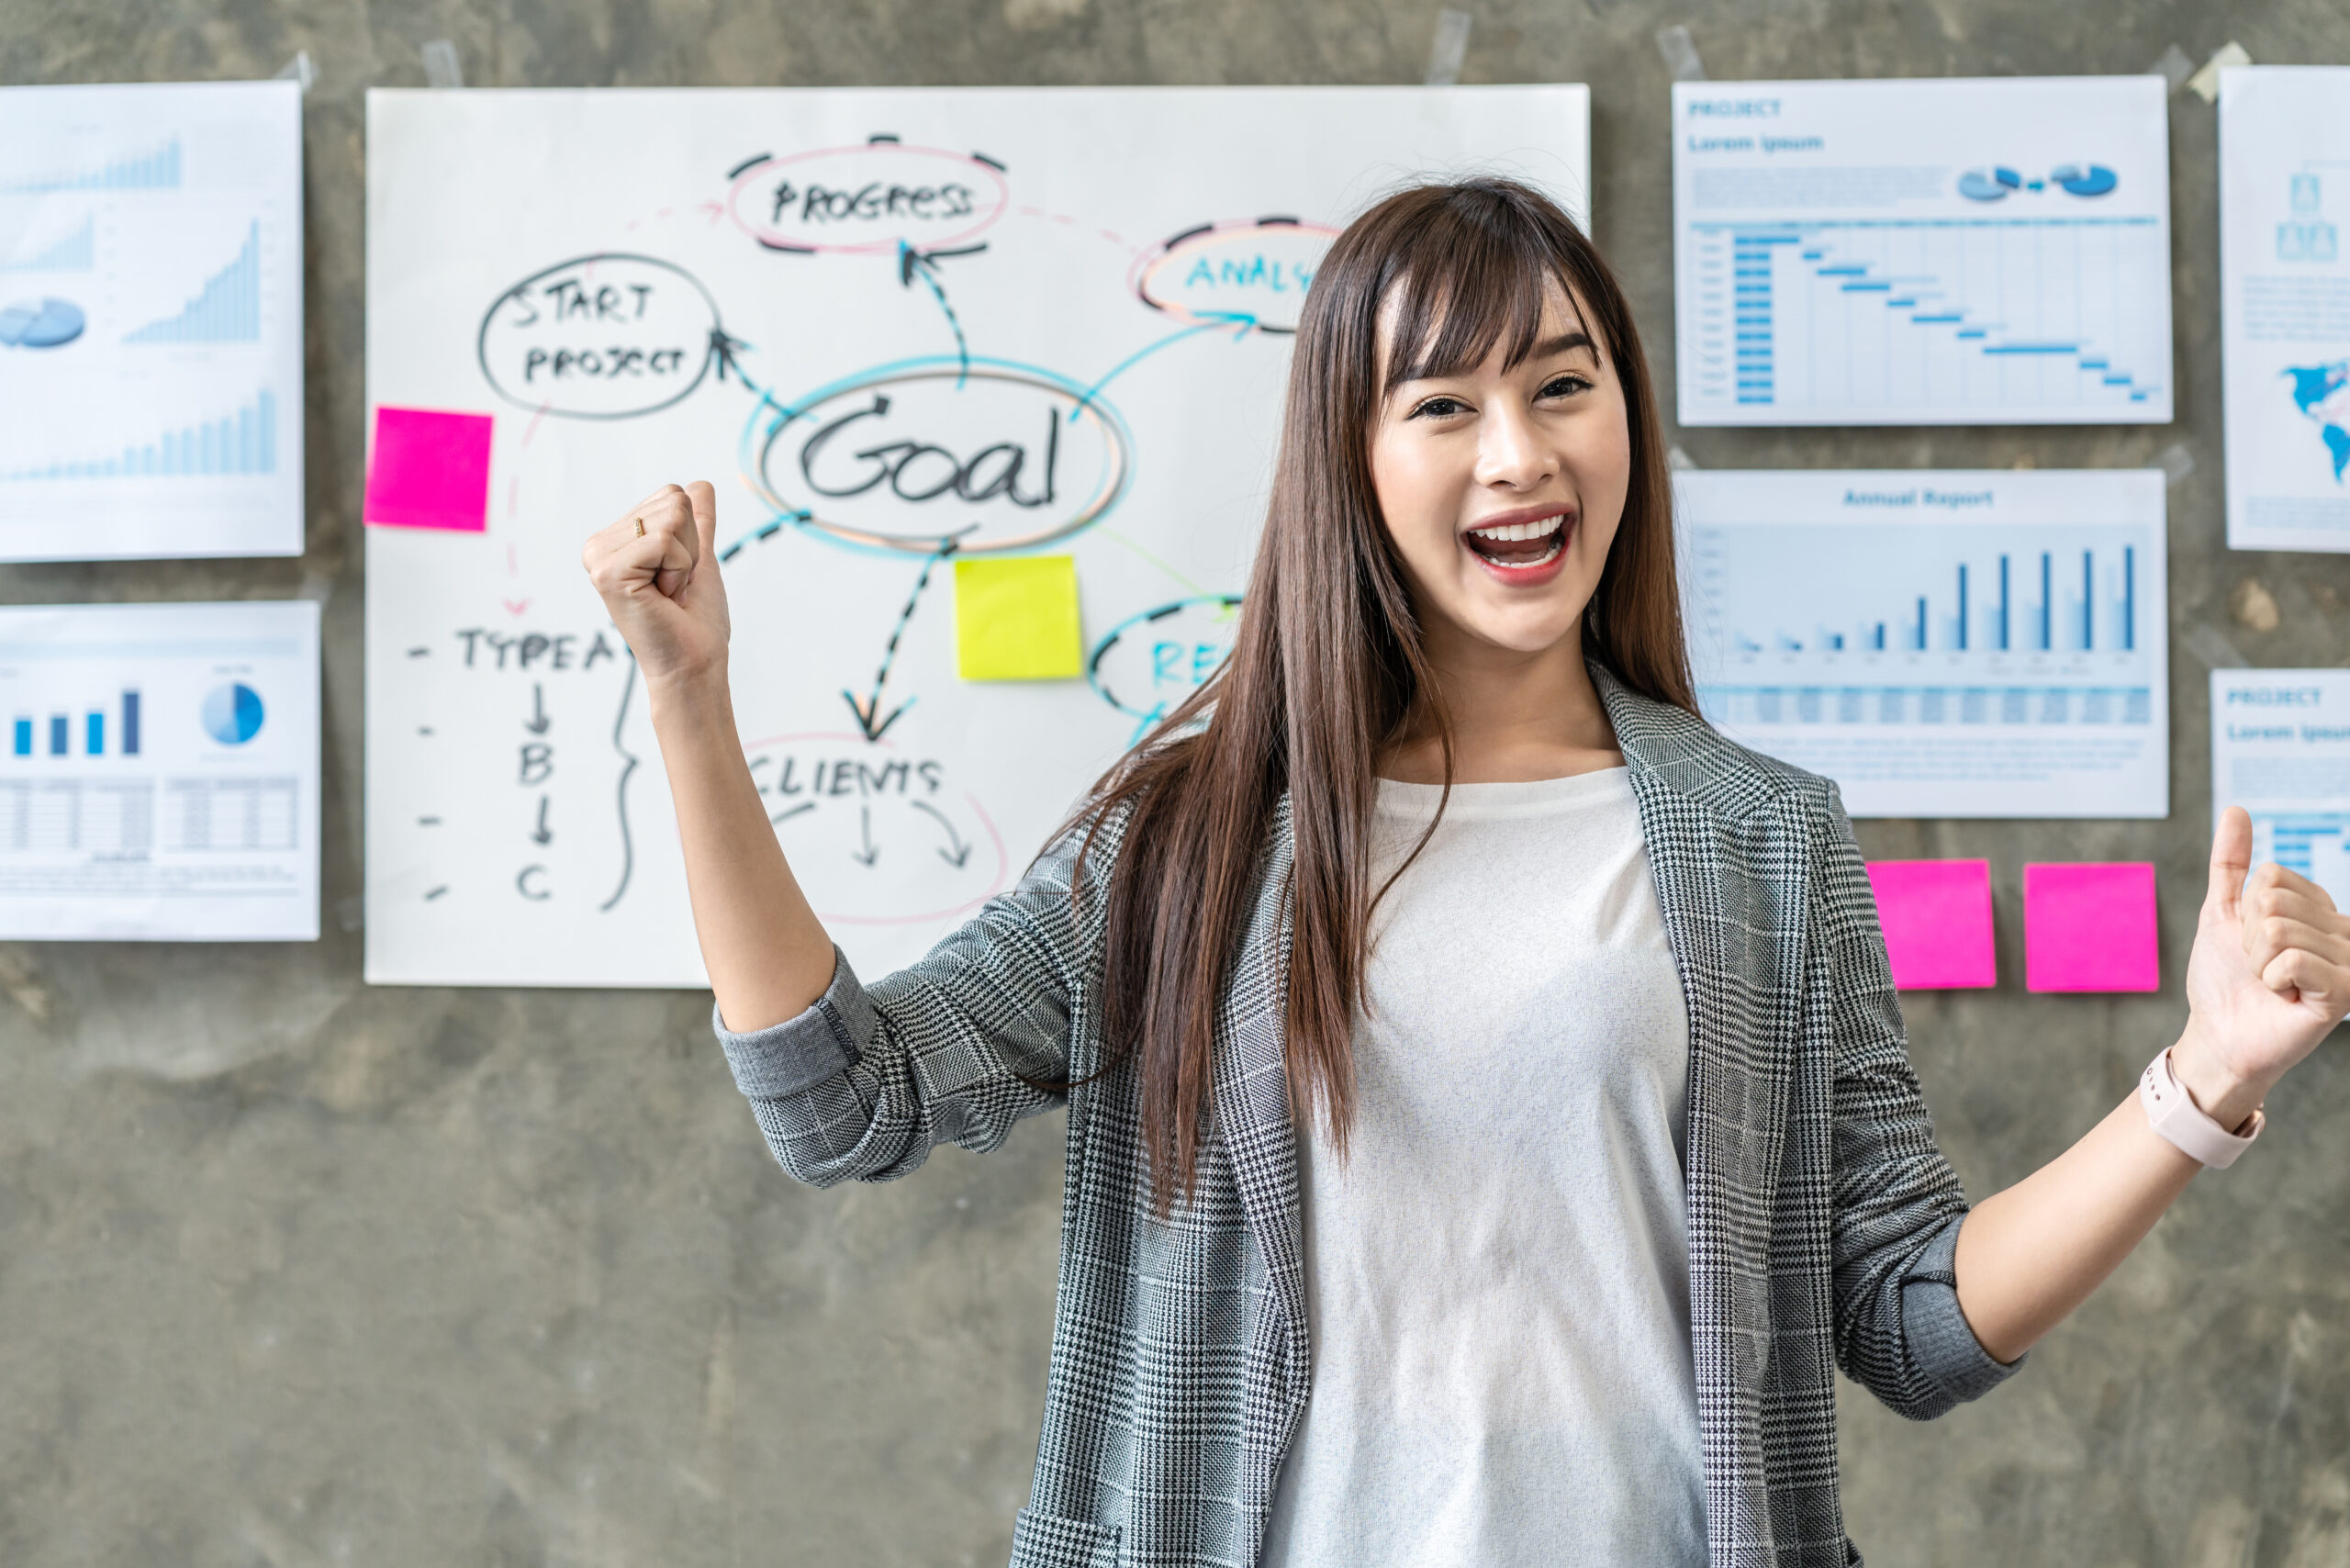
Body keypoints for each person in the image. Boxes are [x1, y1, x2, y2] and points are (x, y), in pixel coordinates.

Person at [582, 178, 2350, 1568]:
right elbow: (846, 1104)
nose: (1520, 452)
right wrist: (691, 701)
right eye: (1445, 403)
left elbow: (1905, 1319)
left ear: (1623, 429)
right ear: (1354, 465)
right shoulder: (1192, 845)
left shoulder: (1762, 842)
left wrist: (2198, 1086)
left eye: (1564, 386)